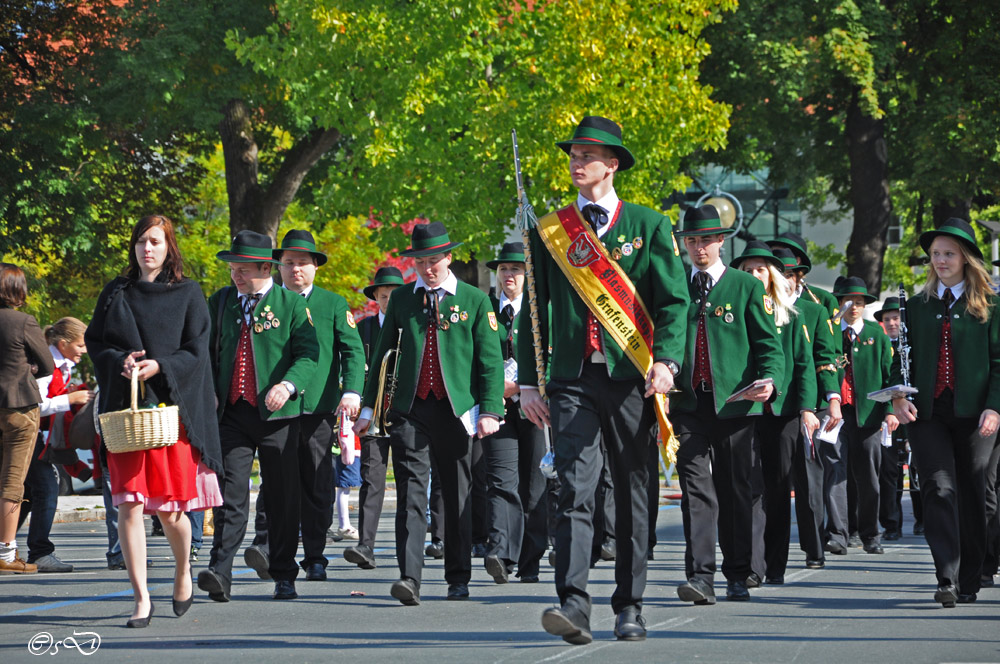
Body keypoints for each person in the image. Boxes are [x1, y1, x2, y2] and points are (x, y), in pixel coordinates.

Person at [518, 116, 689, 644]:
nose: (576, 161)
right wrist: (528, 382)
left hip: (632, 378)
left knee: (636, 491)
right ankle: (572, 604)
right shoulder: (550, 230)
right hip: (571, 378)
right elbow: (535, 314)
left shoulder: (649, 225)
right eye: (573, 154)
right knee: (573, 487)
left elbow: (674, 302)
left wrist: (667, 362)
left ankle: (630, 605)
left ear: (612, 165)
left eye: (588, 154)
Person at [353, 221, 504, 605]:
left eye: (435, 260)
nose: (428, 268)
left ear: (449, 258)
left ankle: (458, 577)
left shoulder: (473, 299)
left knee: (456, 495)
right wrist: (371, 406)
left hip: (457, 411)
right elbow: (383, 355)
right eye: (421, 262)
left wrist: (490, 410)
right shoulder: (403, 300)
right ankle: (410, 577)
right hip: (411, 409)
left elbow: (489, 362)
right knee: (411, 493)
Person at [86, 214, 224, 627]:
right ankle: (141, 598)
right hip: (126, 416)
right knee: (129, 506)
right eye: (141, 241)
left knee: (170, 514)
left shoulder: (187, 293)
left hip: (169, 415)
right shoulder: (116, 292)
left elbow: (199, 350)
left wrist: (160, 365)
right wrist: (120, 361)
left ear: (169, 248)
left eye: (156, 242)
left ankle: (182, 571)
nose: (147, 249)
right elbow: (97, 341)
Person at [197, 230, 318, 603]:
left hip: (278, 416)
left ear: (266, 267)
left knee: (281, 497)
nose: (235, 275)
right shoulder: (220, 303)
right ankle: (221, 570)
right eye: (233, 268)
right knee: (230, 494)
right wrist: (210, 390)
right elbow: (203, 352)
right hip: (233, 413)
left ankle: (283, 573)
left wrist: (289, 386)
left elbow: (308, 355)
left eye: (243, 269)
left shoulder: (292, 305)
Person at [671, 208, 784, 606]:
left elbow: (769, 346)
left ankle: (737, 572)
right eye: (691, 241)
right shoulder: (674, 286)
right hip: (686, 403)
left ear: (722, 242)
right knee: (695, 490)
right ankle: (700, 576)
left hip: (736, 406)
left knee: (735, 489)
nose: (698, 248)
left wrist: (769, 381)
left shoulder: (745, 287)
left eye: (706, 240)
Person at [242, 229, 365, 582]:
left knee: (315, 483)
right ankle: (265, 546)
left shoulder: (332, 304)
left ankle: (314, 555)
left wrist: (352, 391)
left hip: (316, 409)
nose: (295, 269)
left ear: (315, 267)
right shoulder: (263, 301)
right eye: (288, 263)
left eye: (303, 263)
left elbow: (353, 351)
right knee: (274, 480)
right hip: (274, 409)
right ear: (277, 268)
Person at [892, 218, 1000, 607]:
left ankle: (972, 576)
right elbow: (900, 361)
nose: (940, 260)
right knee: (937, 488)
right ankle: (947, 577)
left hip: (976, 414)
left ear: (966, 258)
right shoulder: (917, 306)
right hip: (928, 412)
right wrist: (898, 398)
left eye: (948, 254)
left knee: (973, 490)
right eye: (935, 254)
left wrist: (995, 407)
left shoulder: (990, 305)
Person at [732, 242, 818, 586]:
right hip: (743, 408)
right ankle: (752, 565)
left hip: (782, 412)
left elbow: (804, 365)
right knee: (749, 486)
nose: (753, 275)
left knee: (778, 487)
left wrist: (808, 409)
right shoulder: (733, 307)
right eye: (748, 269)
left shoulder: (791, 315)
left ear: (772, 275)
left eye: (760, 269)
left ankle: (775, 562)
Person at [481, 242, 548, 583]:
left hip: (535, 409)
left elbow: (552, 357)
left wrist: (525, 387)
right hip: (499, 408)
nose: (509, 275)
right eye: (504, 269)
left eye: (516, 269)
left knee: (535, 485)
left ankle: (531, 560)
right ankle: (501, 553)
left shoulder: (540, 311)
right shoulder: (487, 308)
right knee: (501, 481)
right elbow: (475, 357)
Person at [772, 247, 840, 570]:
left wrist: (832, 399)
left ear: (798, 276)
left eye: (787, 274)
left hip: (808, 404)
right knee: (772, 482)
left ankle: (814, 547)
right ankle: (772, 555)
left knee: (809, 478)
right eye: (777, 273)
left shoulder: (815, 309)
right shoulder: (762, 305)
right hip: (771, 406)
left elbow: (825, 360)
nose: (781, 280)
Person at [826, 277, 897, 556]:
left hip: (869, 414)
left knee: (869, 476)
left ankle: (870, 533)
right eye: (847, 302)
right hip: (836, 412)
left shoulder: (875, 334)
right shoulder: (830, 331)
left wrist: (890, 411)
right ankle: (838, 534)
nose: (853, 307)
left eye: (858, 302)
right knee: (835, 472)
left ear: (865, 305)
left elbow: (889, 373)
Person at [20, 317, 94, 573]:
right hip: (29, 438)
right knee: (47, 491)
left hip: (39, 440)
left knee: (28, 496)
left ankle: (6, 547)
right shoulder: (46, 365)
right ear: (63, 344)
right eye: (81, 345)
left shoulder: (62, 366)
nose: (84, 351)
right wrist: (69, 398)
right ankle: (40, 552)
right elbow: (34, 405)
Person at [344, 266, 406, 570]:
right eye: (384, 297)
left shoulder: (412, 325)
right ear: (376, 299)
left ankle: (424, 544)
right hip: (373, 414)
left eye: (395, 296)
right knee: (372, 479)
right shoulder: (363, 327)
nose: (389, 302)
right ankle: (365, 545)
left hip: (405, 411)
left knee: (413, 479)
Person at [0, 263, 54, 574]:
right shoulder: (23, 321)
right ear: (16, 290)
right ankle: (6, 553)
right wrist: (28, 368)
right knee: (13, 481)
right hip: (20, 407)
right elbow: (47, 364)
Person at [767, 232, 839, 317]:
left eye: (781, 254)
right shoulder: (762, 292)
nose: (774, 259)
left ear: (797, 261)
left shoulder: (824, 298)